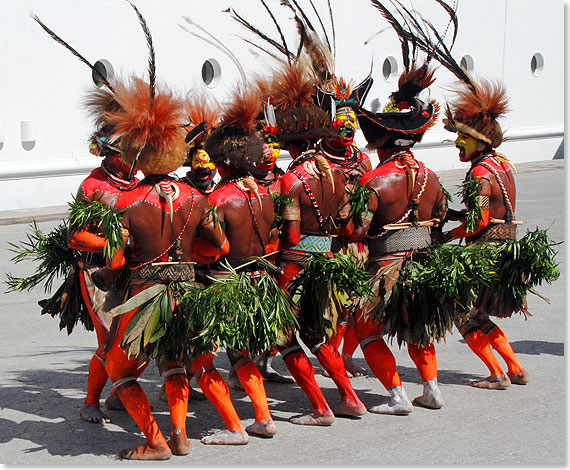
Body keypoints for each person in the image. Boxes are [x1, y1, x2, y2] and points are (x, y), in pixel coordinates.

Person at [268, 63, 368, 425]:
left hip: (294, 267)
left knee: (284, 337)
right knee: (322, 336)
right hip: (327, 261)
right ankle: (350, 399)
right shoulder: (337, 175)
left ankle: (319, 407)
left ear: (291, 143)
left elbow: (291, 236)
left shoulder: (292, 180)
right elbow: (349, 226)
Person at [351, 63, 449, 412]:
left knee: (365, 330)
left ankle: (397, 397)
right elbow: (438, 221)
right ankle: (432, 390)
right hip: (423, 264)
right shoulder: (432, 177)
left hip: (384, 268)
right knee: (419, 327)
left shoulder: (374, 181)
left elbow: (358, 231)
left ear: (381, 145)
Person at [440, 77, 529, 390]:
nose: (457, 144)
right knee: (477, 312)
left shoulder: (479, 172)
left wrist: (451, 234)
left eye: (463, 138)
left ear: (478, 141)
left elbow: (480, 220)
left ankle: (497, 373)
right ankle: (515, 367)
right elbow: (493, 212)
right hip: (504, 247)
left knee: (462, 312)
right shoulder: (501, 165)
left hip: (485, 250)